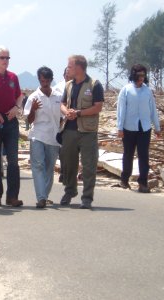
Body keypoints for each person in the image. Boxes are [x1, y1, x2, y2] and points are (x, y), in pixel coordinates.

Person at [60, 55, 104, 209]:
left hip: (87, 131)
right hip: (69, 130)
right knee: (68, 164)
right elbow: (62, 104)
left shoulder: (94, 85)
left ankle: (87, 197)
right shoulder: (69, 85)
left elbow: (98, 107)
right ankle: (70, 191)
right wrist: (67, 112)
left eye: (70, 66)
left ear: (79, 67)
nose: (68, 69)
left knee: (89, 165)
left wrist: (78, 113)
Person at [0, 46, 23, 207]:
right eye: (2, 58)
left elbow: (19, 96)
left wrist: (17, 107)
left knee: (13, 161)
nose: (5, 61)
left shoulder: (13, 77)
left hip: (11, 122)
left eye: (7, 58)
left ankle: (12, 196)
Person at [117, 64, 161, 193]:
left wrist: (157, 127)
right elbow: (121, 110)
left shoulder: (147, 91)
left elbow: (153, 110)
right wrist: (119, 128)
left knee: (143, 155)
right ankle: (124, 180)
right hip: (128, 128)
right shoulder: (126, 90)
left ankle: (143, 182)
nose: (141, 78)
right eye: (139, 75)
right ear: (134, 75)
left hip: (145, 128)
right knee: (128, 155)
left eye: (143, 75)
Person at [23, 67, 62, 208]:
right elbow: (29, 120)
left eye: (46, 80)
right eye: (41, 80)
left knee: (49, 168)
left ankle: (44, 195)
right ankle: (41, 197)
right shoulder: (34, 97)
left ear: (51, 80)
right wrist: (33, 109)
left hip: (53, 137)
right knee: (38, 166)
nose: (44, 83)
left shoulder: (58, 96)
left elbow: (62, 117)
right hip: (38, 135)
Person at [54, 67, 72, 184]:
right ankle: (63, 173)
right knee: (62, 149)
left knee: (72, 149)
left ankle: (69, 173)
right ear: (63, 75)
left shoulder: (77, 86)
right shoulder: (57, 88)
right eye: (66, 74)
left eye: (70, 74)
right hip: (60, 122)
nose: (68, 76)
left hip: (73, 121)